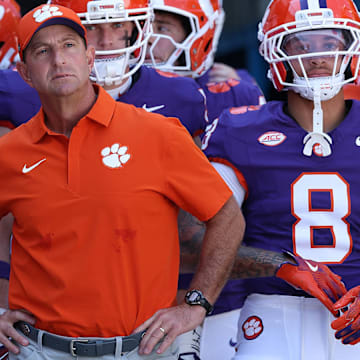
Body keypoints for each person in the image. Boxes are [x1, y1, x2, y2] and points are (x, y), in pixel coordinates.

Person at [0, 4, 243, 360]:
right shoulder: (9, 152)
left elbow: (227, 217)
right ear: (24, 72)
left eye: (69, 45)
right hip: (39, 350)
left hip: (141, 349)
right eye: (42, 50)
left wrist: (195, 303)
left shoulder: (158, 134)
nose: (59, 60)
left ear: (90, 56)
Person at [200, 0, 360, 358]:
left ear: (351, 47)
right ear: (274, 50)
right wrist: (280, 267)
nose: (317, 56)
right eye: (301, 44)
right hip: (272, 313)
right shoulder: (239, 130)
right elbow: (195, 238)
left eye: (329, 43)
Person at [146, 0, 266, 122]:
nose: (147, 38)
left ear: (195, 35)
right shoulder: (126, 84)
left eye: (162, 28)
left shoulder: (234, 87)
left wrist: (241, 94)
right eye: (142, 26)